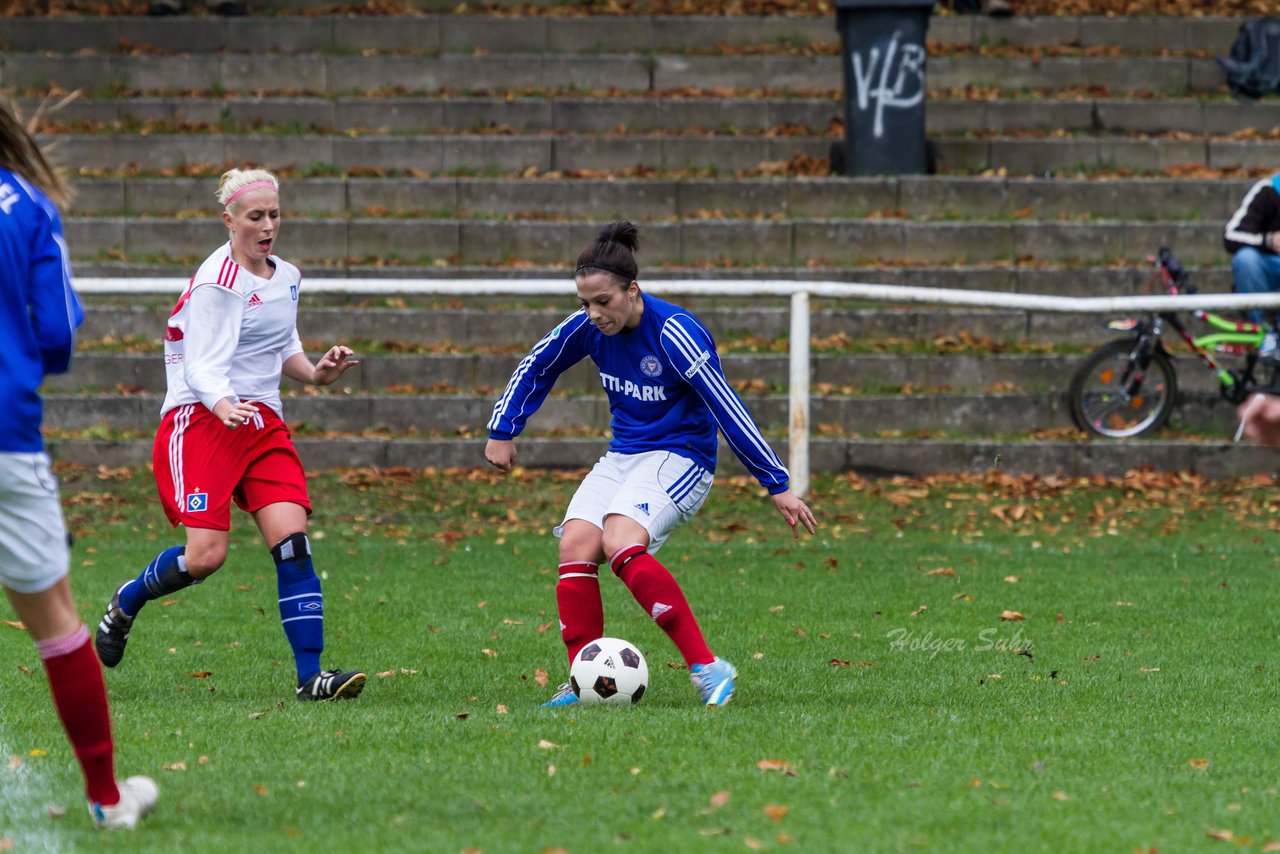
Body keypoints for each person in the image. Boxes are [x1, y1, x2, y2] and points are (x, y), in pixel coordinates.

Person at [485, 221, 818, 708]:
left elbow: (728, 408)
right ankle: (582, 682)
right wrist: (503, 429)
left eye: (604, 301)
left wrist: (777, 483)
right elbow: (537, 363)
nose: (594, 314)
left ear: (632, 290)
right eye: (585, 303)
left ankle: (708, 666)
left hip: (682, 457)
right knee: (576, 545)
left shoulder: (676, 333)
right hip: (624, 455)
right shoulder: (586, 328)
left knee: (619, 540)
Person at [94, 168, 367, 702]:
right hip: (202, 421)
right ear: (229, 221)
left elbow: (280, 345)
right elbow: (200, 367)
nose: (268, 226)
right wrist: (223, 405)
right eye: (255, 217)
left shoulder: (286, 275)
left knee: (293, 546)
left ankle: (310, 677)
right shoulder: (217, 283)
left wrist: (316, 372)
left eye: (275, 215)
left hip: (260, 423)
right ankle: (127, 600)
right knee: (205, 558)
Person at [0, 101, 158, 829]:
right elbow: (58, 331)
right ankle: (105, 798)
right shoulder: (27, 205)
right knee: (59, 624)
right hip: (6, 435)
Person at [1224, 173, 1280, 360]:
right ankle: (1264, 332)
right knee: (1245, 259)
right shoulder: (1267, 190)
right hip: (1268, 269)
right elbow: (1231, 236)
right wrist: (1269, 240)